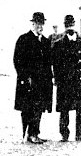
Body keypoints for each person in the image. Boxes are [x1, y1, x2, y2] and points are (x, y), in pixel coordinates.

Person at [13, 12, 53, 144]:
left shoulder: (46, 41)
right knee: (27, 108)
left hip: (42, 82)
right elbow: (17, 60)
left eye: (42, 23)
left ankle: (35, 133)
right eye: (38, 23)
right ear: (33, 24)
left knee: (39, 107)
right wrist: (24, 77)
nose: (40, 26)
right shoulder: (24, 39)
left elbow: (48, 62)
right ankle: (26, 133)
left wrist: (49, 78)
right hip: (28, 81)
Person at [52, 15, 81, 142]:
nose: (70, 27)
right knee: (64, 109)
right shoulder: (58, 44)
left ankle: (80, 133)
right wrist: (58, 80)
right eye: (67, 25)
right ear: (64, 26)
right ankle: (64, 134)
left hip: (80, 80)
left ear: (75, 26)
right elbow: (56, 65)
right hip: (65, 82)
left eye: (72, 25)